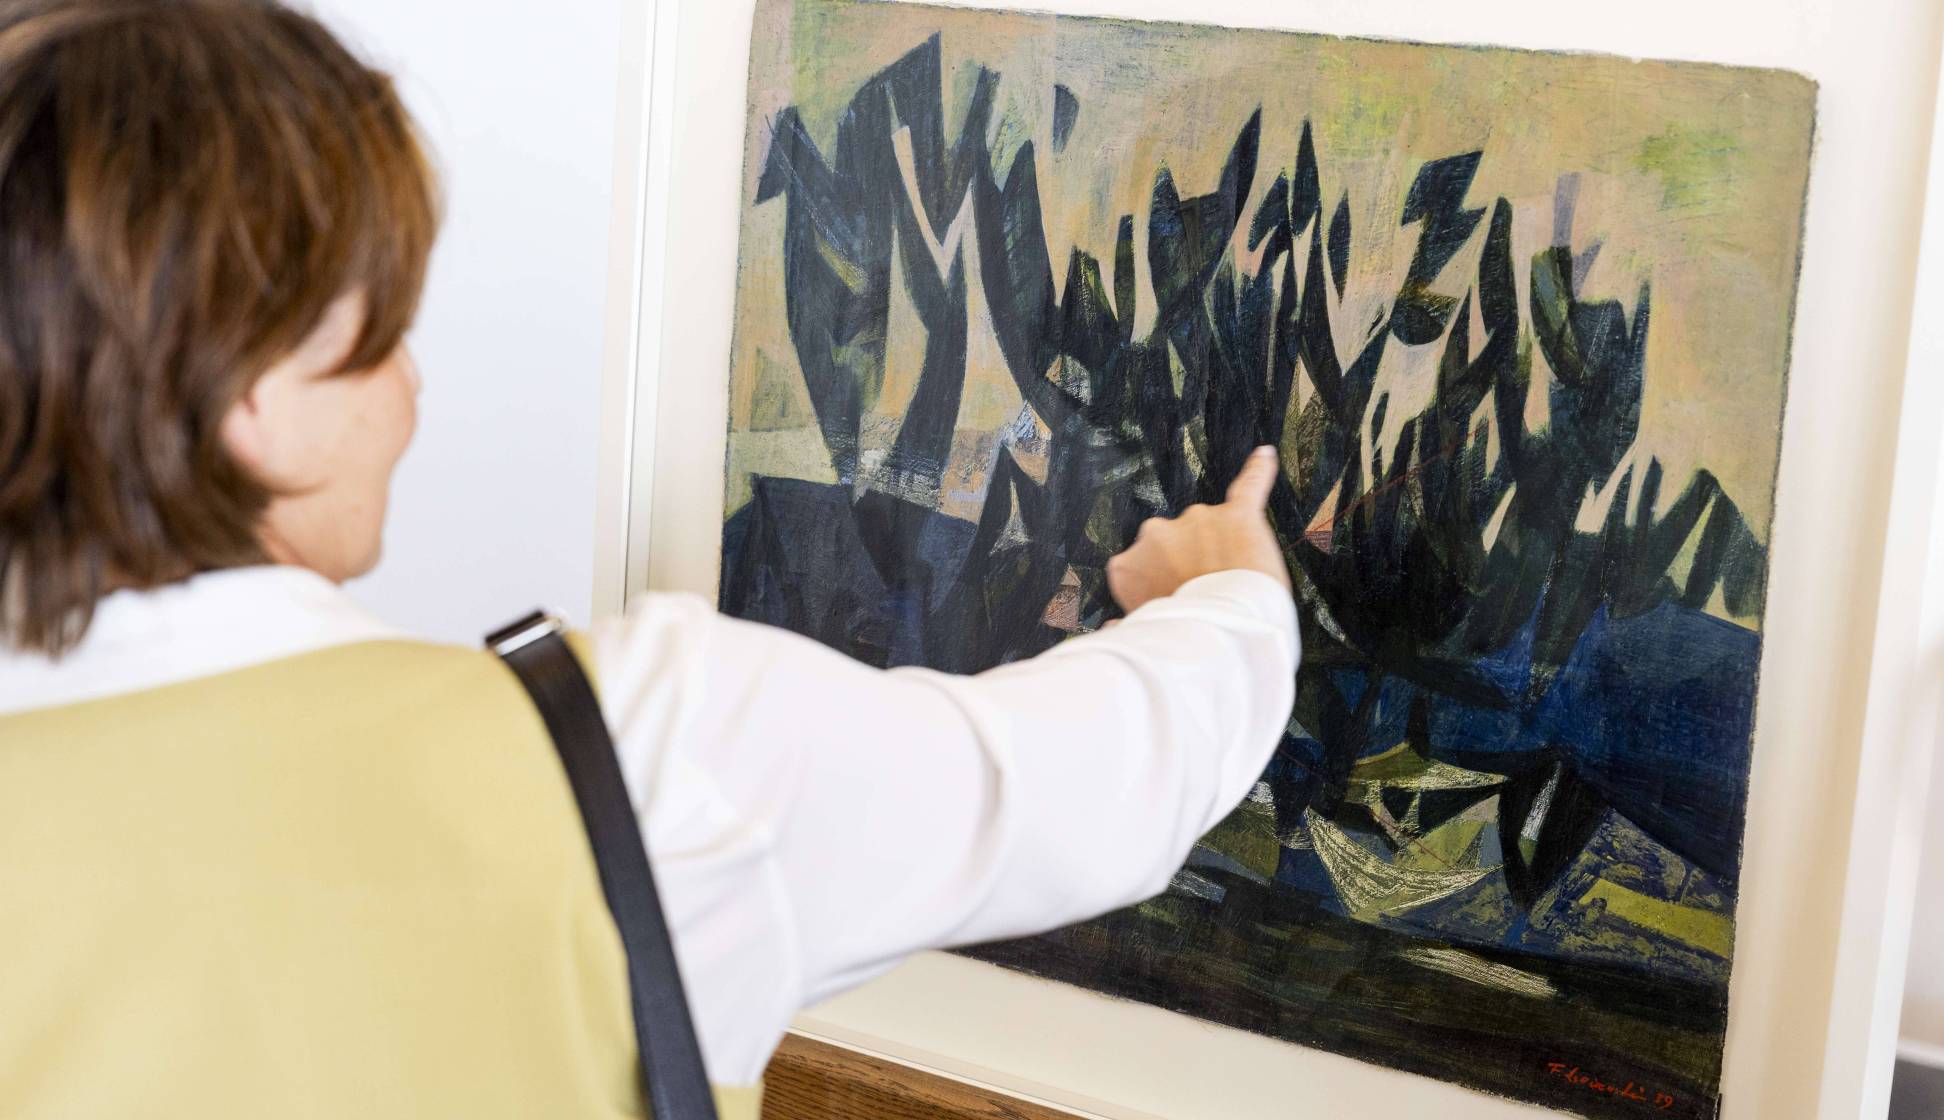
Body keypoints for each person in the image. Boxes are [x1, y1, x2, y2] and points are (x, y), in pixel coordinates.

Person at [0, 2, 1299, 1118]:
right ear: (250, 399)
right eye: (378, 330)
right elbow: (1091, 782)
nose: (408, 390)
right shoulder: (637, 756)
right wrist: (1230, 592)